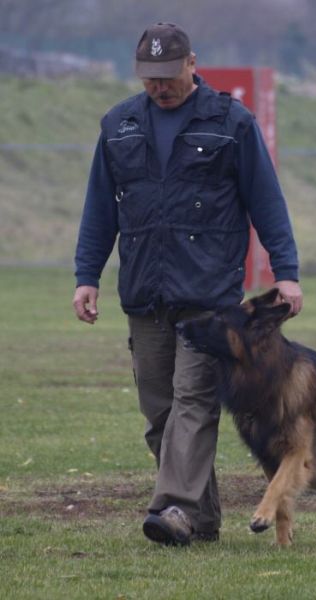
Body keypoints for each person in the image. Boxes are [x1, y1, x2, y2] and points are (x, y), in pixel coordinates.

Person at [73, 22, 303, 546]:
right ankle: (201, 518)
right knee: (160, 413)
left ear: (192, 64)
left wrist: (286, 272)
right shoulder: (119, 125)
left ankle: (172, 508)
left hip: (209, 300)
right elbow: (99, 211)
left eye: (168, 75)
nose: (160, 86)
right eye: (150, 77)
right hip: (145, 293)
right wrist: (87, 277)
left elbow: (266, 201)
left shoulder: (231, 123)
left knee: (193, 403)